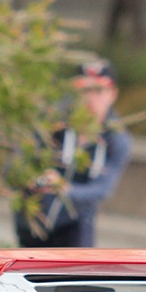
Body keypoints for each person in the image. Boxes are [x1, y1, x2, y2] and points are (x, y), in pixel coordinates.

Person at [16, 57, 133, 247]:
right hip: (33, 219)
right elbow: (20, 158)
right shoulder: (52, 123)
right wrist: (32, 179)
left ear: (112, 94)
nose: (90, 98)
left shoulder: (116, 140)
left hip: (75, 225)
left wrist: (64, 188)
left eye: (98, 90)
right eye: (84, 90)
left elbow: (102, 189)